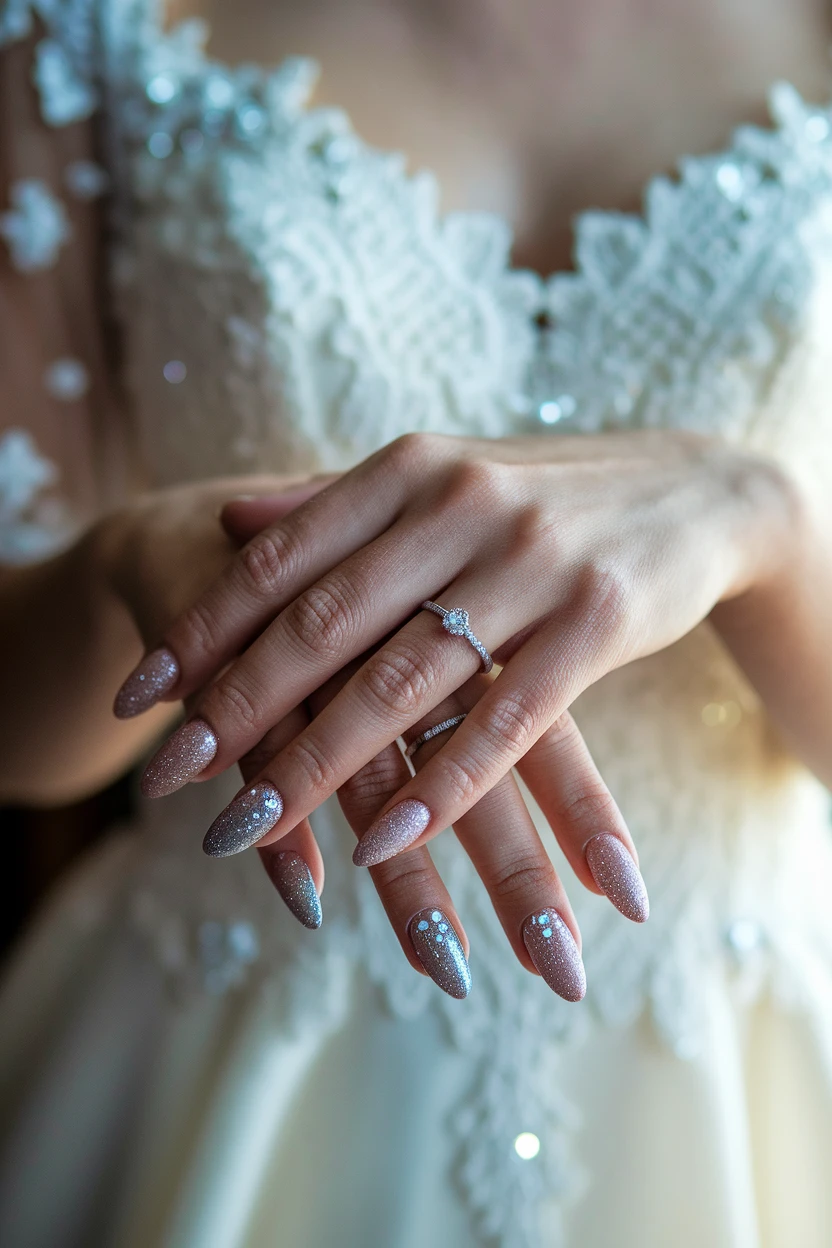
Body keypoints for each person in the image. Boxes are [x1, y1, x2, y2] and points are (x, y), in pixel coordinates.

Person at [2, 0, 832, 1244]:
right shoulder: (83, 29)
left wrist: (764, 526)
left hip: (742, 1074)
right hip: (235, 1056)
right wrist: (130, 563)